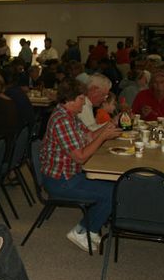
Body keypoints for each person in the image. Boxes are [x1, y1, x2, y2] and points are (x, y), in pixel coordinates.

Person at [40, 78, 121, 252]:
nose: (84, 102)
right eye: (81, 98)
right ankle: (83, 230)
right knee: (113, 192)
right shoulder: (61, 120)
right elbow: (81, 157)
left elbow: (89, 136)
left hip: (70, 174)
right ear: (69, 99)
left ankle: (89, 229)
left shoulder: (70, 116)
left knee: (113, 185)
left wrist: (110, 125)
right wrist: (103, 137)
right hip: (60, 181)